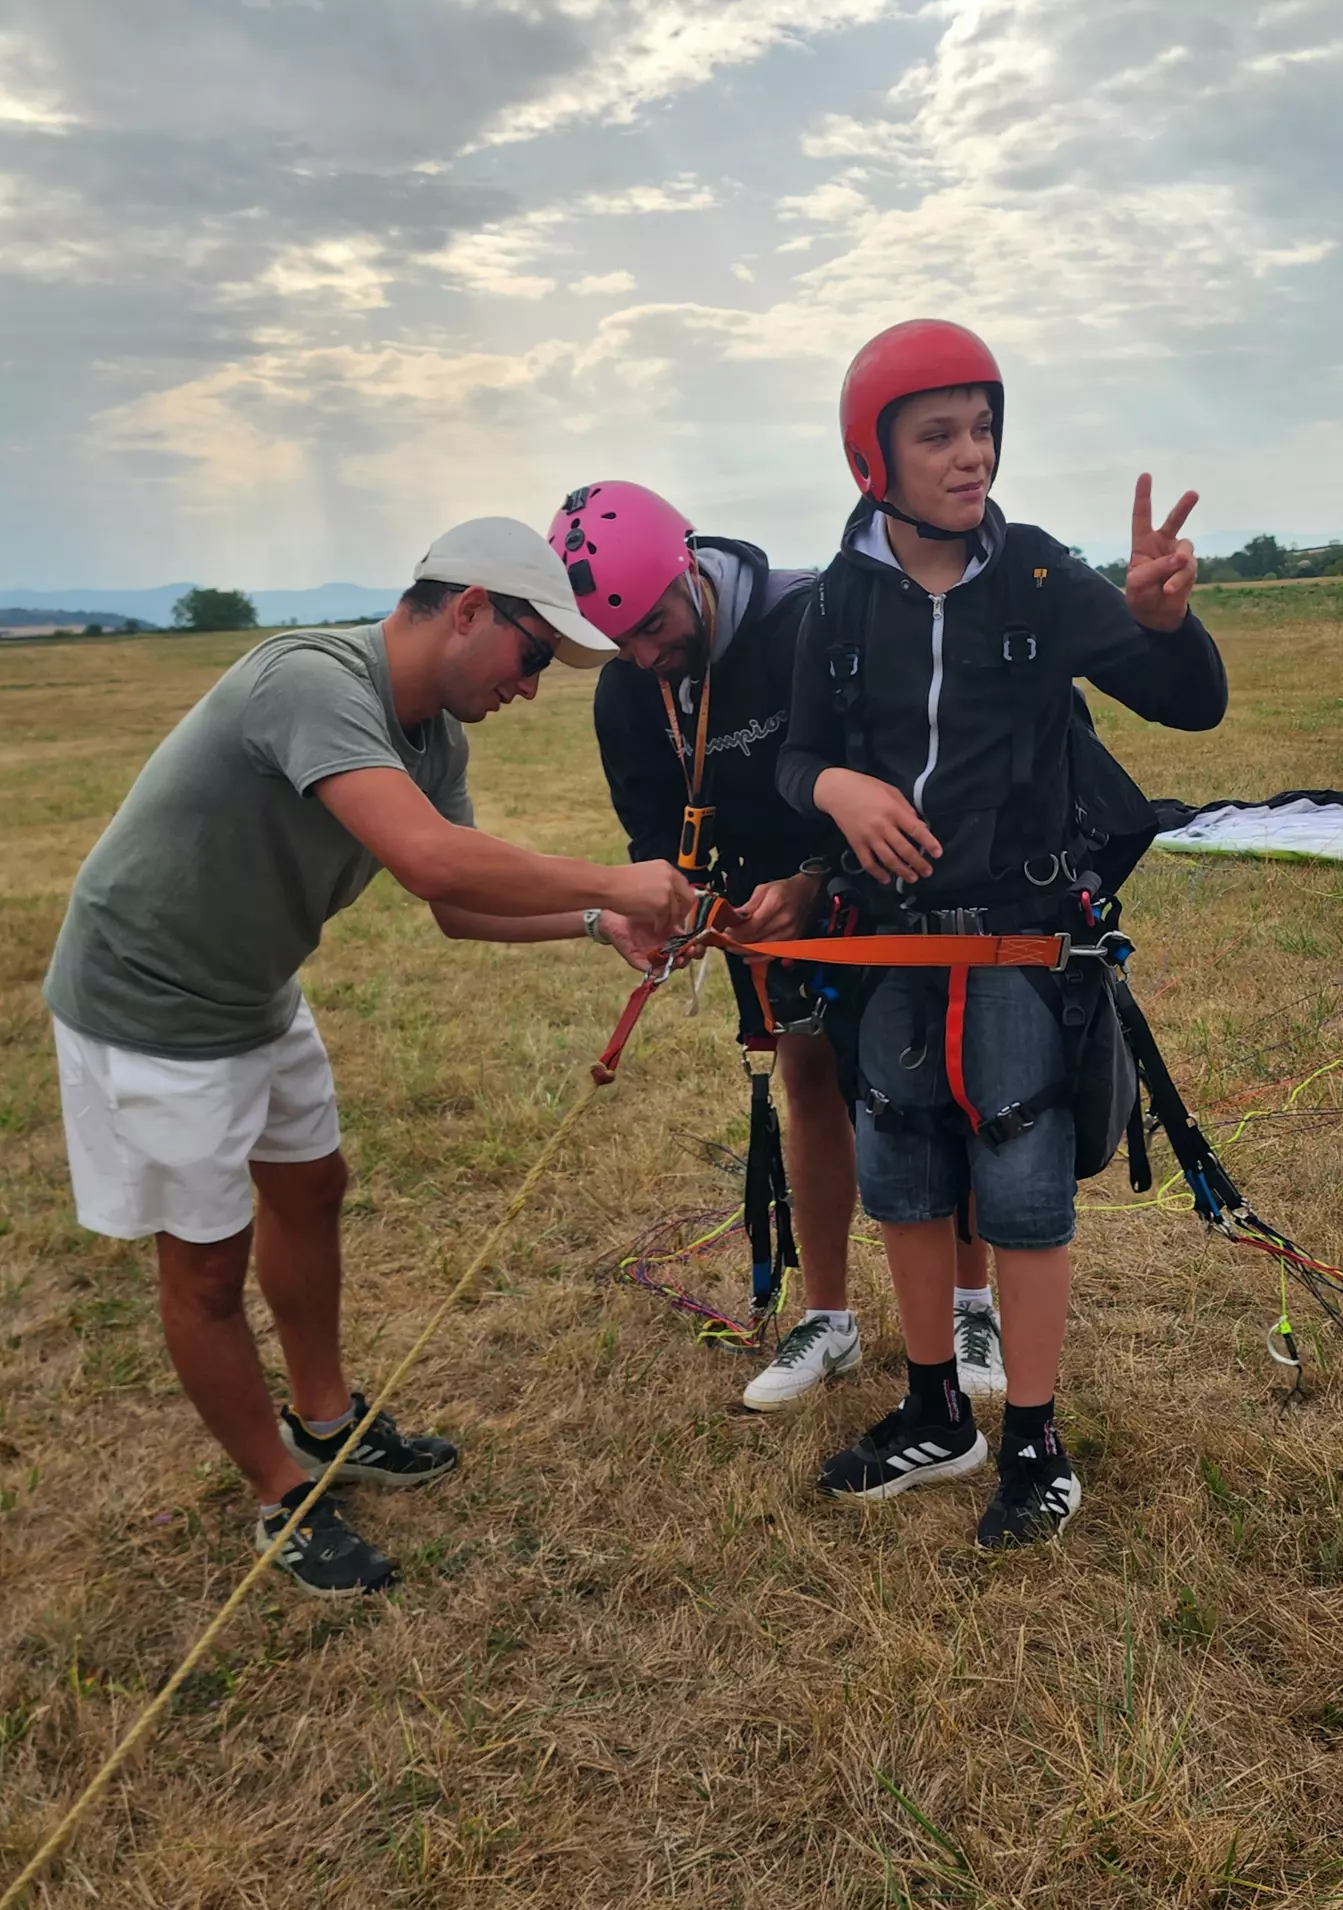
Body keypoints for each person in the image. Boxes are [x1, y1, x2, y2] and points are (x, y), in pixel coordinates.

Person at [44, 517, 695, 1596]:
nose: (532, 685)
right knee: (205, 1262)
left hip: (253, 986)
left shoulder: (437, 738)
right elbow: (427, 851)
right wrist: (620, 877)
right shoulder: (311, 680)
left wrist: (596, 923)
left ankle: (330, 1419)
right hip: (148, 1000)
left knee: (313, 1188)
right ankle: (277, 1490)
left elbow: (451, 904)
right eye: (534, 655)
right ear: (471, 606)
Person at [777, 319, 1227, 1545]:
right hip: (894, 950)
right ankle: (937, 1412)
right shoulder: (837, 605)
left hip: (1025, 940)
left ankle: (1032, 1436)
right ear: (875, 458)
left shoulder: (1035, 574)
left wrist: (1161, 623)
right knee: (906, 1170)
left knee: (1024, 1184)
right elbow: (797, 757)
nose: (969, 456)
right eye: (938, 435)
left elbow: (1192, 707)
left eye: (983, 429)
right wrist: (836, 792)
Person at [545, 481, 1007, 1409]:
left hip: (878, 896)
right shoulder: (626, 694)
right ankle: (828, 1321)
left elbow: (897, 768)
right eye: (618, 641)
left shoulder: (807, 618)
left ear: (687, 570)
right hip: (761, 929)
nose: (644, 653)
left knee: (931, 1092)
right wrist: (693, 912)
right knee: (808, 1087)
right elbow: (652, 839)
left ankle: (973, 1304)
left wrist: (816, 880)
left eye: (653, 624)